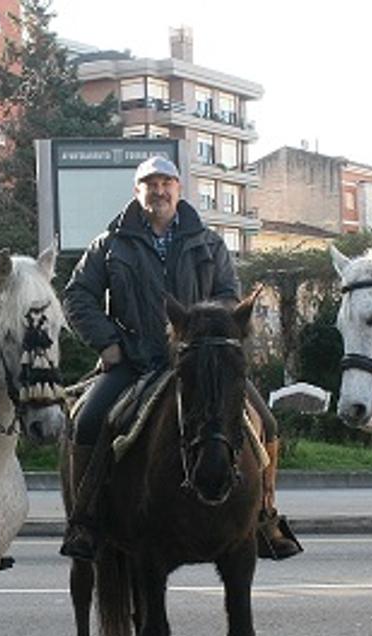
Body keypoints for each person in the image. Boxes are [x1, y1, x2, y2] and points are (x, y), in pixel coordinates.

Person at [60, 155, 301, 561]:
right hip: (135, 362)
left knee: (269, 424)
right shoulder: (110, 244)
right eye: (150, 184)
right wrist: (107, 343)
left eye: (166, 183)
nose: (159, 191)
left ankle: (265, 518)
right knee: (88, 421)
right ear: (137, 192)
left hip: (200, 365)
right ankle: (85, 521)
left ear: (179, 189)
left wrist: (205, 331)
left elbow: (229, 295)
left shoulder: (209, 243)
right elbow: (77, 296)